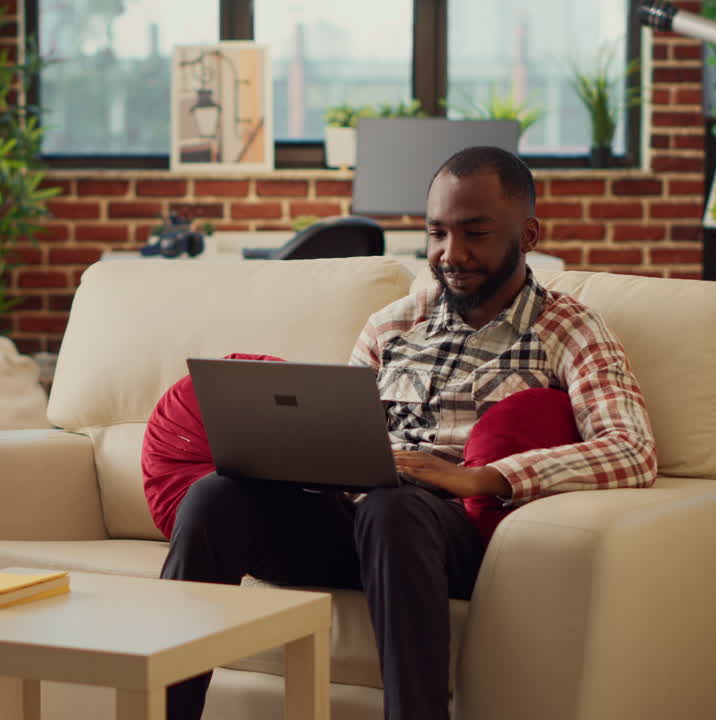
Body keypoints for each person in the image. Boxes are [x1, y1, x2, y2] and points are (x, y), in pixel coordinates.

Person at [160, 145, 658, 720]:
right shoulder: (393, 323)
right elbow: (339, 433)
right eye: (438, 234)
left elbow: (633, 451)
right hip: (356, 522)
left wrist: (480, 478)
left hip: (449, 538)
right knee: (215, 497)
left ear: (528, 236)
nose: (453, 254)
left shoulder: (569, 329)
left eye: (475, 233)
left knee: (394, 510)